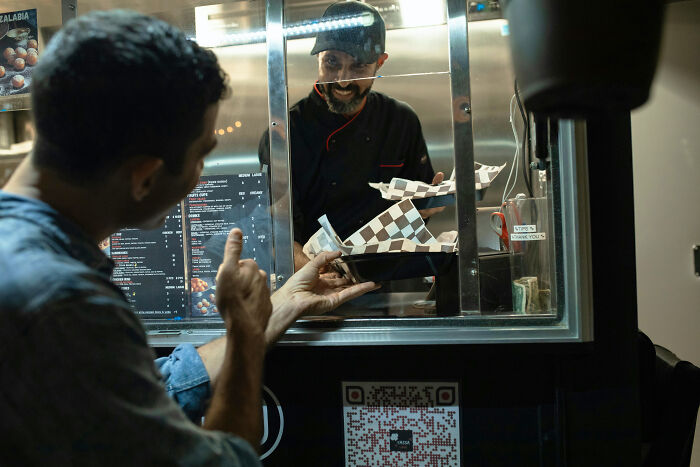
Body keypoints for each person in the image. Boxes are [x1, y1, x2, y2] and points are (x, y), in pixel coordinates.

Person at [0, 10, 375, 465]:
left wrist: (276, 309)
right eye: (201, 157)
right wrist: (242, 336)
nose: (199, 177)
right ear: (144, 177)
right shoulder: (65, 303)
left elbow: (146, 392)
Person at [259, 1, 445, 271]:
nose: (343, 81)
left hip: (385, 284)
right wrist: (316, 275)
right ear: (318, 58)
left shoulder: (401, 121)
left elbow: (412, 215)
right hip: (312, 283)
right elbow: (277, 230)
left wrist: (424, 208)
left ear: (380, 63)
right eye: (332, 63)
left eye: (358, 66)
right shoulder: (284, 133)